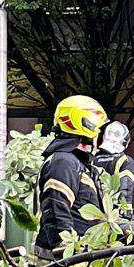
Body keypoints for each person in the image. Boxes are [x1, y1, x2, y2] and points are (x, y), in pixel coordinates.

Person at [35, 94, 108, 252]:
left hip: (82, 260)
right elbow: (56, 212)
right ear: (87, 126)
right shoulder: (63, 162)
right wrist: (69, 254)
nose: (98, 135)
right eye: (98, 130)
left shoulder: (75, 162)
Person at [95, 119, 134, 218]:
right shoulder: (125, 160)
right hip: (114, 213)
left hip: (93, 211)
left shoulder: (93, 159)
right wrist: (126, 210)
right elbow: (125, 186)